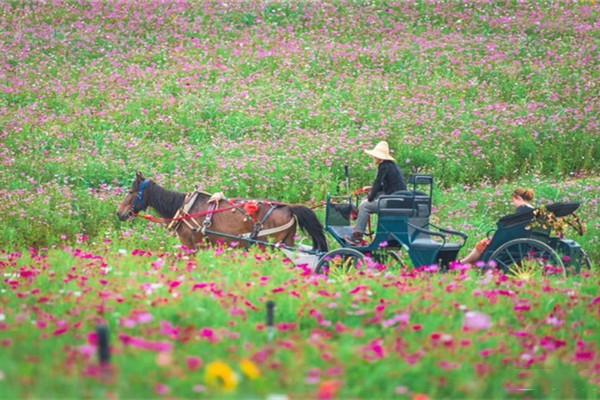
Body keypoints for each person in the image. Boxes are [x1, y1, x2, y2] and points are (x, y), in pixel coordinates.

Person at [348, 141, 407, 244]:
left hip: (392, 201)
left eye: (375, 157)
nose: (374, 159)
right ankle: (360, 226)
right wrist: (371, 189)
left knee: (365, 206)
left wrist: (370, 197)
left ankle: (357, 236)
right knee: (366, 202)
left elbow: (378, 183)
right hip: (399, 200)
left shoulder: (383, 166)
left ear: (380, 158)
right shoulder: (392, 166)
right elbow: (388, 185)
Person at [460, 188, 535, 264]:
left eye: (513, 201)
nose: (513, 204)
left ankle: (463, 262)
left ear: (518, 198)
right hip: (525, 241)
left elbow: (511, 227)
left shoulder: (522, 212)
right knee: (486, 241)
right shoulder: (534, 212)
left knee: (484, 242)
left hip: (514, 243)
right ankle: (465, 262)